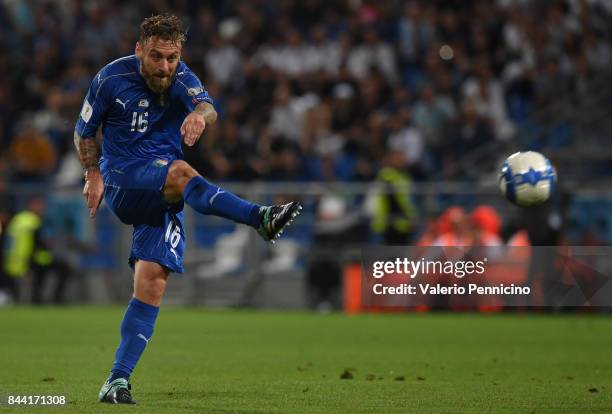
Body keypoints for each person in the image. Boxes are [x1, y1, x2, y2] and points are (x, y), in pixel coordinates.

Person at [73, 14, 301, 404]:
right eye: (157, 57)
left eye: (172, 58)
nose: (165, 67)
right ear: (139, 50)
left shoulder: (181, 77)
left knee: (151, 283)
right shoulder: (110, 79)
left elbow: (208, 107)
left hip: (163, 192)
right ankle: (259, 218)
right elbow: (84, 131)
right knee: (180, 171)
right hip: (124, 179)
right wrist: (92, 172)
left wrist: (198, 115)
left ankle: (116, 381)